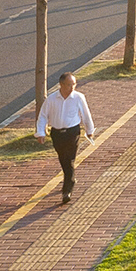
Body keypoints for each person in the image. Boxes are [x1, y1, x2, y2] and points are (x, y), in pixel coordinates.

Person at [35, 73, 96, 204]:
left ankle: (67, 189)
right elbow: (43, 116)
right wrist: (40, 132)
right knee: (63, 159)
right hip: (57, 134)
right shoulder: (51, 99)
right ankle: (70, 176)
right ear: (61, 85)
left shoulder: (79, 97)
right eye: (69, 84)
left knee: (69, 159)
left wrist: (90, 131)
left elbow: (86, 115)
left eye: (74, 84)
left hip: (72, 132)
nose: (72, 87)